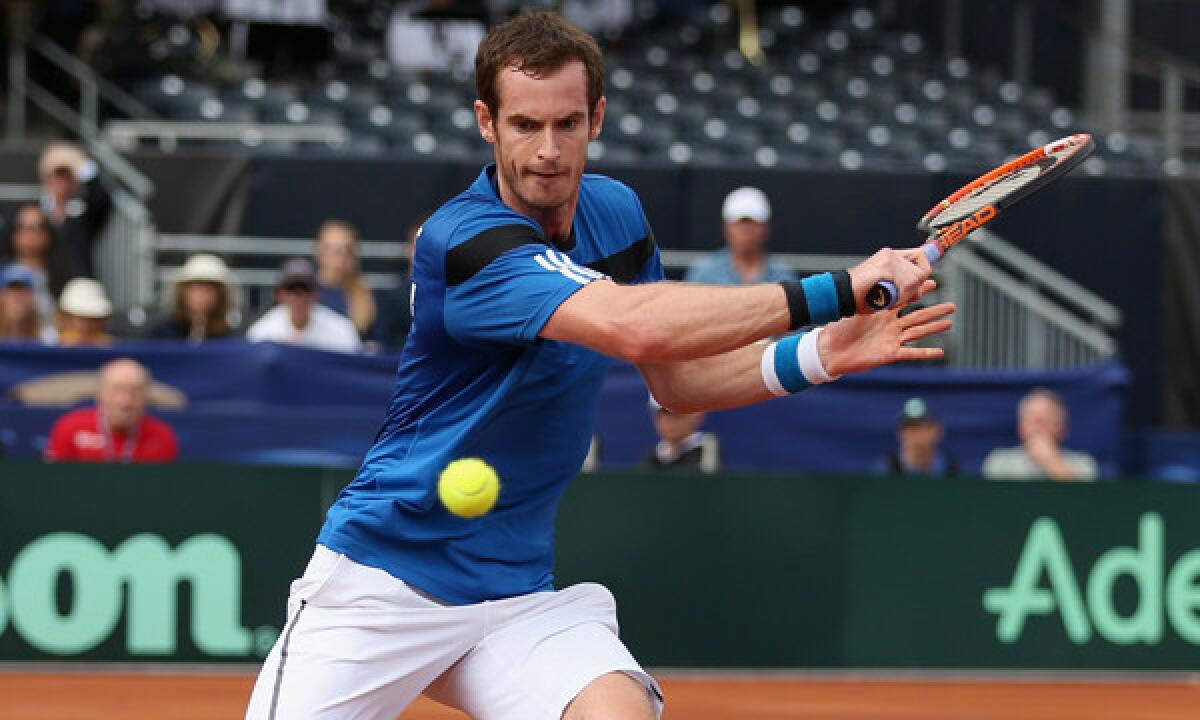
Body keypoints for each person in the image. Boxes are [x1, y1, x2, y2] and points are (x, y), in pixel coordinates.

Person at [244, 12, 953, 720]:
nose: (548, 150)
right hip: (383, 585)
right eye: (525, 125)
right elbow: (633, 327)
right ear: (486, 122)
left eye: (568, 124)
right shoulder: (463, 242)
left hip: (514, 595)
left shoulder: (616, 213)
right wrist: (836, 291)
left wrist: (823, 351)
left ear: (597, 118)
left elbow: (678, 381)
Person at [44, 357, 179, 463]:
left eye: (135, 391)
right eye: (117, 390)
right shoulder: (70, 427)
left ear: (146, 397)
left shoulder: (162, 436)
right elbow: (54, 483)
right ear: (100, 393)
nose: (125, 401)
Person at [683, 186, 799, 285]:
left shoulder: (783, 274)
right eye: (739, 223)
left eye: (753, 223)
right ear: (726, 227)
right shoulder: (703, 272)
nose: (746, 230)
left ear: (766, 228)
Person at [245, 257, 362, 353]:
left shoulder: (341, 329)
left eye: (305, 289)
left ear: (316, 294)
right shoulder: (262, 332)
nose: (299, 296)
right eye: (292, 289)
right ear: (280, 295)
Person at [982, 387, 1098, 482]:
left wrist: (1052, 463)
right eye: (1032, 420)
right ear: (1020, 427)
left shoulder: (1082, 464)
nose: (1038, 428)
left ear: (1063, 429)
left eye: (1047, 420)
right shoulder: (1000, 462)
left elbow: (1085, 502)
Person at [0, 203, 83, 328]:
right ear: (14, 233)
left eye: (40, 226)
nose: (34, 233)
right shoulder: (3, 273)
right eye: (25, 227)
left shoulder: (66, 275)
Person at [37, 142, 112, 277]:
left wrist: (81, 164)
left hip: (77, 285)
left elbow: (101, 199)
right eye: (58, 175)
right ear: (47, 179)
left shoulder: (84, 215)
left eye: (68, 177)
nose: (62, 182)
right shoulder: (34, 213)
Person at [148, 253, 239, 342]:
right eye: (194, 290)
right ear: (182, 292)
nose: (200, 297)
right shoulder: (162, 332)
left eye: (207, 290)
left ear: (221, 295)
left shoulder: (228, 336)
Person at [314, 219, 376, 338]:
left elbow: (375, 342)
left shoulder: (365, 298)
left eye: (347, 250)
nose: (341, 257)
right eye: (335, 250)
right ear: (320, 252)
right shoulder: (304, 291)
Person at [873, 396, 957, 477]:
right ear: (899, 434)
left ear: (938, 432)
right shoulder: (886, 469)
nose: (915, 435)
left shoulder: (952, 469)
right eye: (909, 428)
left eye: (922, 428)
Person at [640, 394, 719, 472]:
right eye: (662, 414)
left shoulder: (707, 450)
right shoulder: (652, 458)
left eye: (676, 414)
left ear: (696, 415)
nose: (668, 422)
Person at [0, 264, 57, 343]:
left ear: (33, 298)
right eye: (12, 291)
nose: (17, 298)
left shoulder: (49, 339)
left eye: (24, 291)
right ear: (2, 297)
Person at [57, 277, 114, 347]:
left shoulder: (111, 346)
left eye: (94, 319)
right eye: (81, 318)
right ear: (66, 317)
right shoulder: (50, 342)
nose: (87, 326)